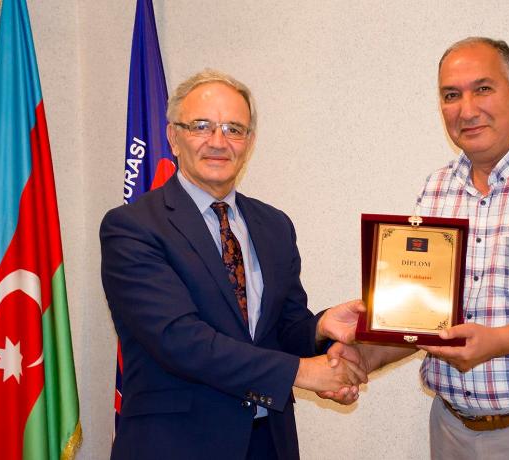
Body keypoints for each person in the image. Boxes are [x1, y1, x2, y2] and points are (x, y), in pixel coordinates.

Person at [326, 37, 509, 459]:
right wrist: (363, 357)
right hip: (453, 431)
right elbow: (427, 318)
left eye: (483, 89)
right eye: (451, 95)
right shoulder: (437, 189)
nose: (466, 109)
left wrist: (497, 341)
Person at [100, 69, 366, 460]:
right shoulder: (133, 227)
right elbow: (179, 340)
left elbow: (280, 330)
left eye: (233, 129)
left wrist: (321, 327)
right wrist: (303, 372)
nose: (218, 142)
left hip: (268, 441)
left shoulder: (274, 225)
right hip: (176, 445)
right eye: (201, 126)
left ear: (250, 142)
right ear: (173, 136)